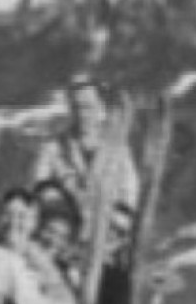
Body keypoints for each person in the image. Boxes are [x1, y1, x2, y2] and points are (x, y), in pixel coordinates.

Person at [32, 75, 139, 239]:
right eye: (76, 107)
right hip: (62, 236)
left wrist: (117, 224)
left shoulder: (118, 150)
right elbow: (39, 186)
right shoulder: (52, 148)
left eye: (88, 107)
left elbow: (129, 193)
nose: (82, 114)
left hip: (108, 236)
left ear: (100, 108)